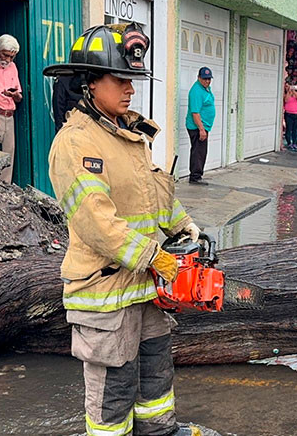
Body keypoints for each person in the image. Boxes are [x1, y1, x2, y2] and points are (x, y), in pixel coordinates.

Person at [43, 23, 204, 436]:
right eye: (121, 80)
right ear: (89, 83)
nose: (130, 88)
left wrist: (187, 229)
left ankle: (159, 433)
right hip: (104, 291)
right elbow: (97, 222)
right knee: (113, 392)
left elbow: (156, 197)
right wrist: (157, 257)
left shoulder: (129, 134)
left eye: (133, 80)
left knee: (155, 375)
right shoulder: (77, 142)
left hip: (145, 288)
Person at [0, 34, 22, 183]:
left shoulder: (12, 67)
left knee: (7, 158)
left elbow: (19, 96)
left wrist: (14, 95)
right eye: (5, 55)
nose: (8, 60)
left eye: (12, 57)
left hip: (9, 116)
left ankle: (4, 194)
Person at [185, 67, 216, 185]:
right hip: (197, 127)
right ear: (199, 78)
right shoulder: (196, 91)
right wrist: (201, 130)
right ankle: (195, 177)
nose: (207, 81)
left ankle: (197, 175)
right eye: (204, 79)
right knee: (198, 152)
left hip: (203, 127)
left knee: (201, 152)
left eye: (209, 79)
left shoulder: (205, 89)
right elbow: (195, 113)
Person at [283, 81, 297, 152]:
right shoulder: (286, 94)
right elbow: (286, 100)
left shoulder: (296, 94)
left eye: (289, 86)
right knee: (289, 129)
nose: (288, 88)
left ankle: (295, 143)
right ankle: (289, 143)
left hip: (296, 113)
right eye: (287, 86)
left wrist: (294, 92)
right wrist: (289, 92)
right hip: (289, 114)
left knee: (295, 130)